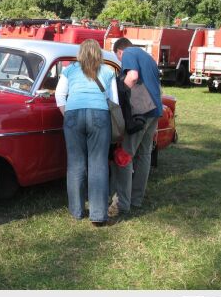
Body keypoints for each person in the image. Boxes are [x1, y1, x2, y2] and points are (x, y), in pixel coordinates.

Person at [55, 39, 118, 227]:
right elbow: (114, 100)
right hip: (99, 114)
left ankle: (77, 211)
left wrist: (68, 115)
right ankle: (98, 214)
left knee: (75, 164)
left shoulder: (70, 70)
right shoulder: (107, 71)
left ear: (80, 53)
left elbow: (59, 95)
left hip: (73, 113)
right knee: (98, 163)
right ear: (99, 53)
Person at [109, 38, 163, 217]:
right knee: (145, 154)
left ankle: (123, 202)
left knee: (125, 154)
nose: (120, 61)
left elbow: (132, 77)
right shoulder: (148, 57)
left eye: (118, 58)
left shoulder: (130, 53)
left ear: (120, 51)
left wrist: (119, 92)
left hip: (141, 112)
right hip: (155, 111)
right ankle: (136, 198)